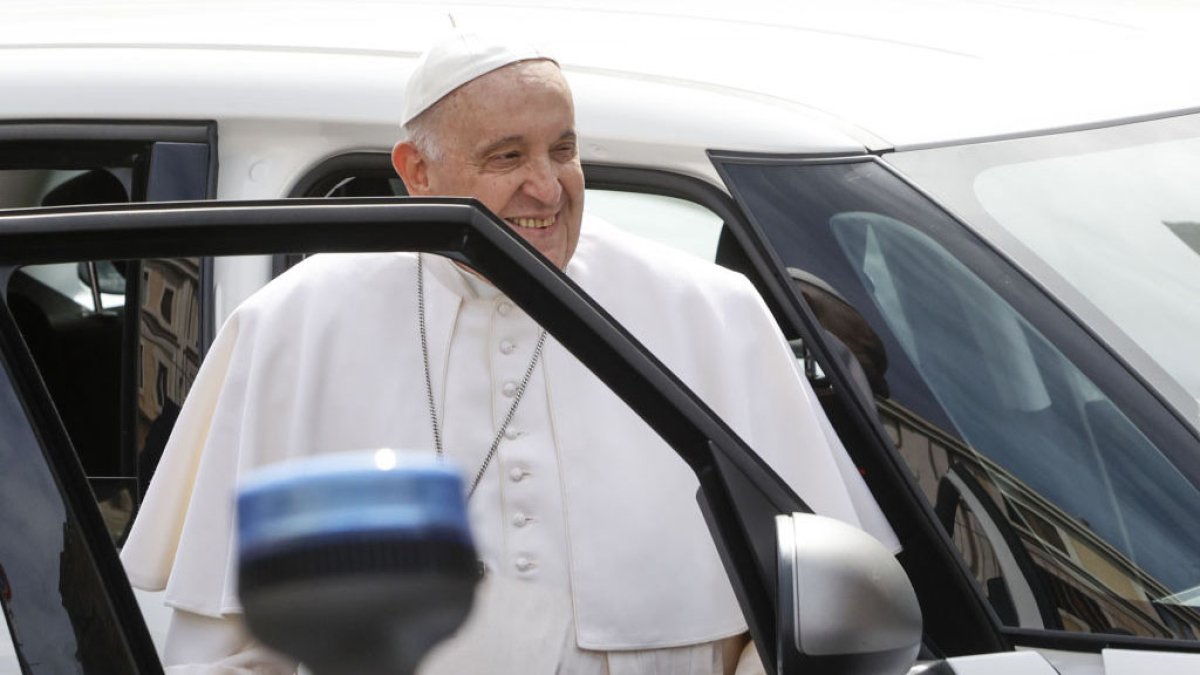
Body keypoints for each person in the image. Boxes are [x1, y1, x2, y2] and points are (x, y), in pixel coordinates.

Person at [121, 30, 897, 674]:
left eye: (563, 149)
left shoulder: (710, 314)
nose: (548, 188)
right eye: (507, 157)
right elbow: (227, 649)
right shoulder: (294, 326)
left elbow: (806, 616)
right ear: (416, 172)